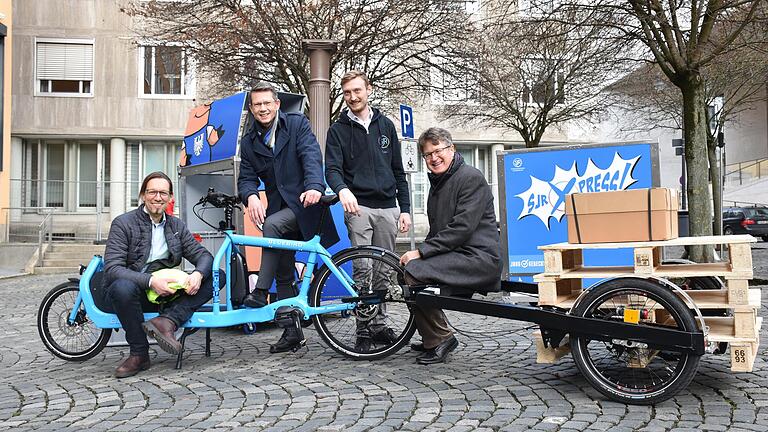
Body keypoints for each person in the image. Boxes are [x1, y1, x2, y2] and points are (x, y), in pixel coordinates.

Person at [238, 81, 339, 353]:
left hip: (306, 204)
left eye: (267, 103)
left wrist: (314, 187)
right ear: (251, 108)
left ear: (277, 104)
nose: (263, 108)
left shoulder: (295, 124)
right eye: (257, 104)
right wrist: (251, 196)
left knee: (271, 224)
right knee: (284, 273)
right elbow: (246, 178)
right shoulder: (249, 143)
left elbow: (310, 155)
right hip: (279, 208)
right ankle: (291, 332)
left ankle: (260, 291)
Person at [400, 127, 502, 365]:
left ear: (452, 149)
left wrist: (421, 252)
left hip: (479, 258)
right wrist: (420, 254)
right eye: (427, 155)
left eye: (438, 151)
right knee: (404, 272)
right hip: (459, 254)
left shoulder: (470, 177)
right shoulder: (439, 183)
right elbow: (439, 231)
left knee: (414, 273)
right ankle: (432, 335)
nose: (434, 158)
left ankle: (441, 337)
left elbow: (461, 228)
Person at [325, 70, 411, 351]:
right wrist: (343, 190)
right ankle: (363, 328)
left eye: (357, 91)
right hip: (358, 207)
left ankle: (380, 325)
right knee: (363, 269)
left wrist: (406, 209)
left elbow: (399, 171)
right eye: (347, 92)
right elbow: (332, 169)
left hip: (388, 208)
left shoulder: (386, 126)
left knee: (384, 271)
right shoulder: (337, 131)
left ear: (368, 90)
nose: (352, 97)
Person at [103, 171, 215, 378]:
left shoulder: (176, 226)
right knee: (121, 286)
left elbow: (204, 256)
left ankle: (167, 322)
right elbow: (112, 269)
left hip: (165, 297)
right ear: (143, 195)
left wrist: (198, 274)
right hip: (133, 293)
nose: (158, 197)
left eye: (163, 193)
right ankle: (139, 353)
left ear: (170, 197)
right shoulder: (123, 223)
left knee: (218, 277)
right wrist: (151, 281)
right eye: (152, 192)